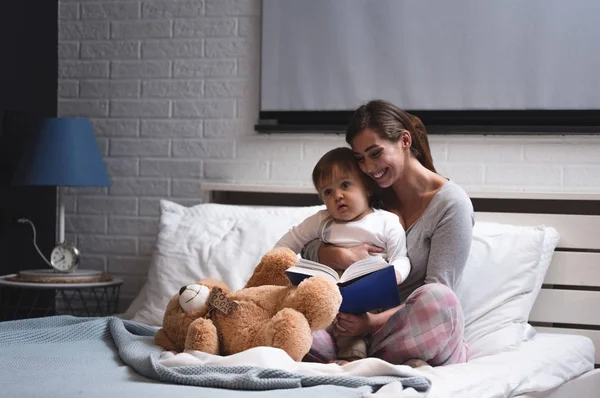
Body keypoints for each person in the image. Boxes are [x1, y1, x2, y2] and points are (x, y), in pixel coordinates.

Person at [301, 100, 474, 367]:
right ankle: (377, 363)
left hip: (406, 327)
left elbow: (438, 289)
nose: (369, 167)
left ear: (404, 140)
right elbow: (309, 246)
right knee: (296, 323)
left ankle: (361, 362)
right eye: (360, 158)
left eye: (375, 153)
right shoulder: (370, 193)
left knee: (439, 300)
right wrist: (338, 254)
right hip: (351, 328)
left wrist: (369, 324)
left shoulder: (451, 205)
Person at [274, 147, 412, 362]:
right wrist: (275, 265)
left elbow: (401, 258)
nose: (337, 195)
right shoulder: (322, 220)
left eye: (345, 185)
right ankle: (323, 353)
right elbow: (286, 244)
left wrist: (395, 274)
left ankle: (354, 359)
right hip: (326, 303)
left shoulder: (386, 221)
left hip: (369, 303)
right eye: (327, 192)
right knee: (300, 323)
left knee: (360, 327)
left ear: (367, 187)